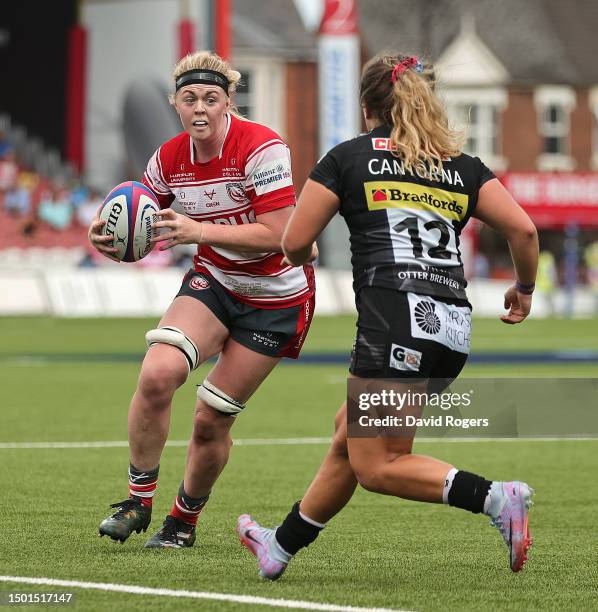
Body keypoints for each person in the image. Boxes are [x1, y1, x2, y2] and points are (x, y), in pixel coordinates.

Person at [237, 54, 539, 578]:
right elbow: (525, 231)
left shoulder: (349, 157)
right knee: (348, 434)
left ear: (366, 107)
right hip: (451, 330)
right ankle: (279, 547)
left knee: (378, 464)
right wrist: (525, 288)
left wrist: (298, 253)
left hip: (395, 320)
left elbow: (293, 242)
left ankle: (496, 498)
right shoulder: (461, 166)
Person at [89, 51, 315, 548]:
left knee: (211, 419)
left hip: (276, 298)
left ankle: (182, 522)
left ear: (229, 102)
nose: (200, 108)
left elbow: (284, 235)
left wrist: (196, 229)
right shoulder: (168, 159)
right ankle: (136, 502)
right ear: (175, 103)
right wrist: (107, 229)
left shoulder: (262, 147)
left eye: (211, 98)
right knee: (157, 373)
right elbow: (139, 212)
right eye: (189, 98)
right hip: (215, 281)